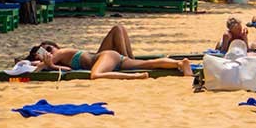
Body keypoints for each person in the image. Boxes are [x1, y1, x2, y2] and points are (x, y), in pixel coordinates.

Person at [31, 41, 193, 80]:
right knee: (148, 63)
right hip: (111, 57)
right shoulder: (57, 60)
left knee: (95, 75)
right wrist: (51, 65)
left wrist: (43, 63)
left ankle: (135, 77)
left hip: (104, 57)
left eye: (48, 49)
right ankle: (180, 63)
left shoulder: (60, 52)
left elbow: (37, 68)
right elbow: (68, 71)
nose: (49, 53)